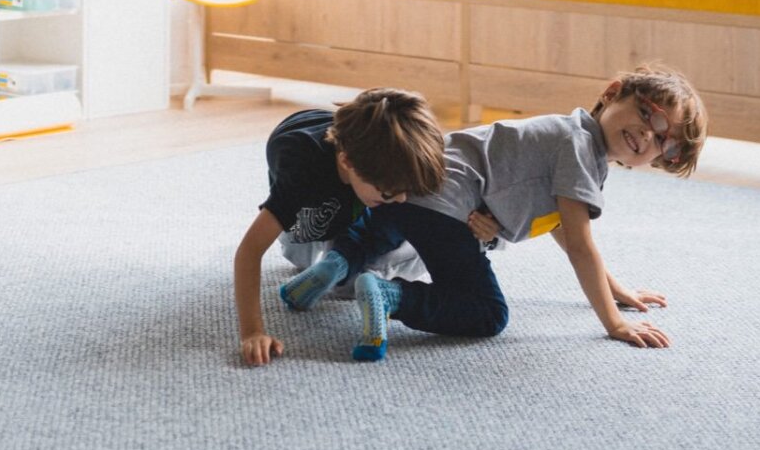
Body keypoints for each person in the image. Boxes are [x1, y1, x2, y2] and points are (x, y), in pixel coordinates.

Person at [292, 62, 707, 362]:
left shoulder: (571, 139)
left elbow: (561, 226)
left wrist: (615, 288)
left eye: (663, 143)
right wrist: (614, 322)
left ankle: (334, 264)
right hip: (446, 205)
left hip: (410, 184)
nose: (647, 135)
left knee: (384, 227)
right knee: (486, 313)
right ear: (613, 92)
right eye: (648, 114)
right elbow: (581, 246)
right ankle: (390, 295)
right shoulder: (580, 149)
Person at [233, 88, 445, 367]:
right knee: (411, 247)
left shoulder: (378, 156)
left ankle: (338, 262)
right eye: (389, 193)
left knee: (383, 221)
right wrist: (253, 332)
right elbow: (249, 252)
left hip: (326, 206)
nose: (401, 199)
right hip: (305, 219)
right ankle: (344, 262)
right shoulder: (300, 180)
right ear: (347, 161)